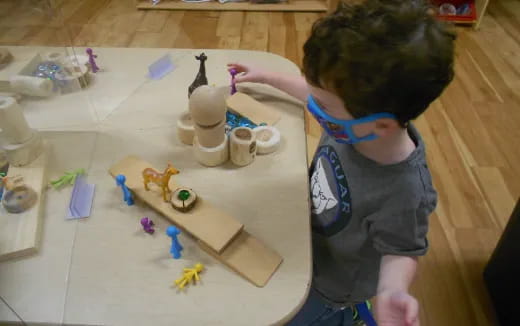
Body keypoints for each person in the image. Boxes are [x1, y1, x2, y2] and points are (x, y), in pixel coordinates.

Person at [228, 0, 455, 325]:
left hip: (329, 286)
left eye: (323, 106)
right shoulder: (357, 122)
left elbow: (401, 250)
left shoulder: (405, 192)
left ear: (382, 125)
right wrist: (268, 78)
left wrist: (392, 290)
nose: (314, 108)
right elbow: (314, 92)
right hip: (307, 236)